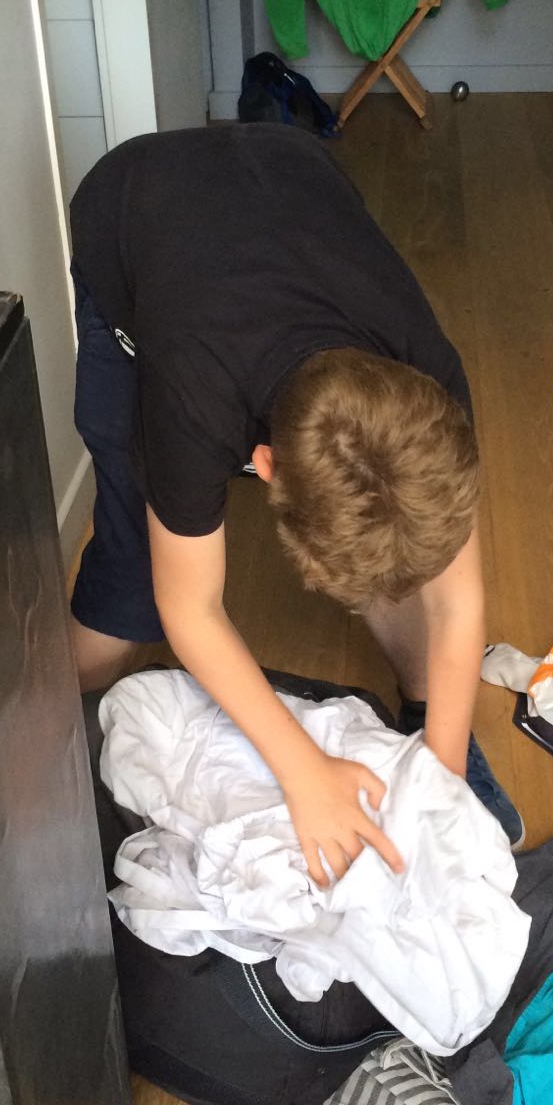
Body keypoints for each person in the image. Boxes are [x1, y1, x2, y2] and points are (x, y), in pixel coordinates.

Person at [68, 123, 523, 886]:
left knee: (404, 566)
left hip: (283, 168)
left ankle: (421, 720)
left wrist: (438, 791)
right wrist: (304, 770)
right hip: (134, 204)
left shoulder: (429, 390)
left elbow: (456, 603)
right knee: (129, 598)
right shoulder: (190, 398)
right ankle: (38, 742)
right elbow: (190, 609)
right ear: (264, 466)